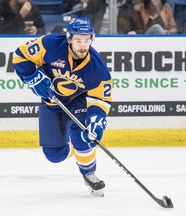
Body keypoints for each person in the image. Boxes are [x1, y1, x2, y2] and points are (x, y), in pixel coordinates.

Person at [12, 17, 112, 197]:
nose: (83, 46)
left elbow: (100, 100)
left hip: (78, 101)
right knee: (54, 155)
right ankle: (77, 147)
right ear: (69, 38)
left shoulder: (98, 69)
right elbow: (20, 55)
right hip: (51, 102)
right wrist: (32, 77)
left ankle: (88, 172)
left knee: (82, 135)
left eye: (87, 40)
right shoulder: (50, 44)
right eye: (78, 40)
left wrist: (97, 121)